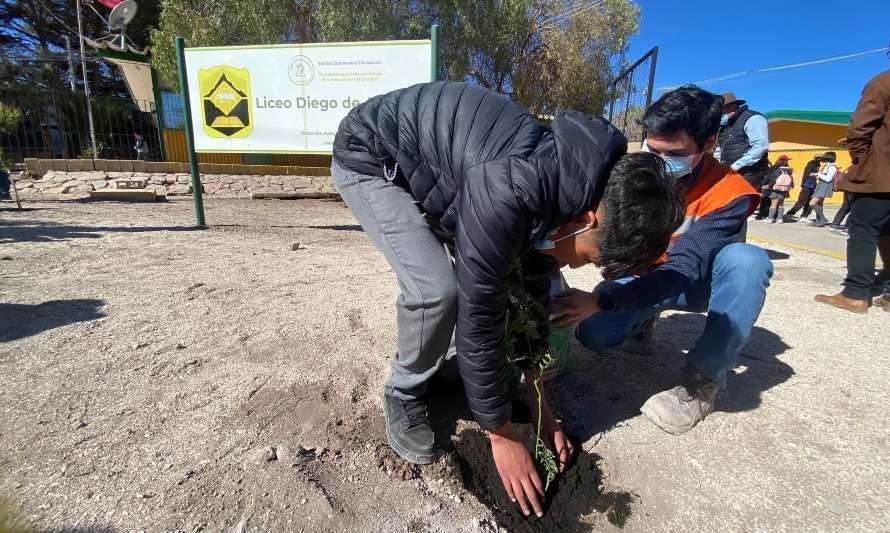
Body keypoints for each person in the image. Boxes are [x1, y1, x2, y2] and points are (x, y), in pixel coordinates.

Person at [331, 81, 685, 516]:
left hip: (449, 171)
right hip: (372, 157)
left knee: (501, 288)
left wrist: (540, 404)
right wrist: (500, 434)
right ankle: (403, 391)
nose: (574, 268)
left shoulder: (572, 188)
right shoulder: (514, 189)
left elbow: (527, 298)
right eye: (589, 257)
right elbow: (480, 311)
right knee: (437, 291)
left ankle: (451, 374)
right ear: (588, 219)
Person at [551, 85, 772, 435]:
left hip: (692, 283)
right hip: (646, 277)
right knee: (593, 333)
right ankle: (640, 324)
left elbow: (682, 269)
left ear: (709, 144)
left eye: (674, 153)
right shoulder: (632, 171)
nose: (659, 161)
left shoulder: (729, 193)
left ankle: (703, 381)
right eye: (653, 148)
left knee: (747, 261)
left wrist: (602, 299)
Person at [816, 70, 890, 313]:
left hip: (881, 174)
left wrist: (861, 159)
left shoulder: (883, 81)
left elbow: (860, 127)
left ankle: (856, 292)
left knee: (863, 229)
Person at [716, 92, 770, 201]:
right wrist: (717, 165)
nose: (720, 114)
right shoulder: (725, 125)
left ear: (732, 106)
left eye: (721, 110)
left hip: (749, 171)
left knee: (738, 204)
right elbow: (720, 147)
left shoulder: (753, 119)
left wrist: (735, 166)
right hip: (729, 171)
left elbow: (760, 146)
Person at [784, 154, 822, 220]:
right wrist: (803, 183)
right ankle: (789, 214)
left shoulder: (817, 165)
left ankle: (804, 216)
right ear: (817, 158)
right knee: (801, 201)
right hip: (807, 185)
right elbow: (806, 174)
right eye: (820, 158)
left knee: (810, 202)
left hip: (813, 185)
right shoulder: (811, 164)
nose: (821, 160)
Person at [809, 151, 839, 227]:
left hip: (825, 186)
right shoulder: (828, 166)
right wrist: (817, 175)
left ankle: (823, 219)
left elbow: (828, 179)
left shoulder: (832, 167)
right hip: (822, 185)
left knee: (812, 203)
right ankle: (818, 220)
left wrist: (818, 174)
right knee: (819, 204)